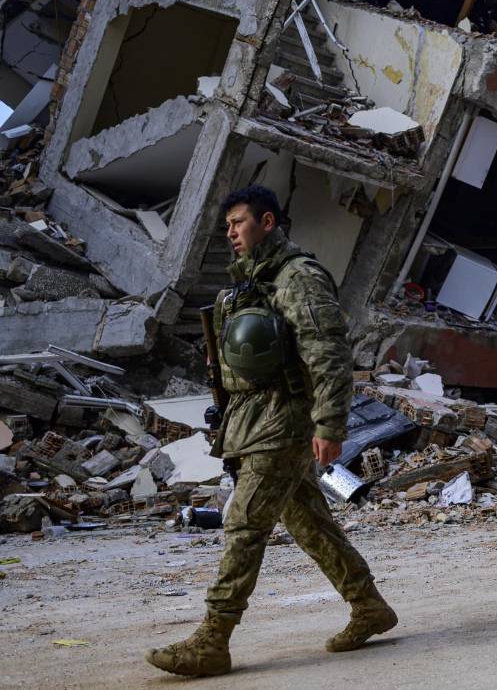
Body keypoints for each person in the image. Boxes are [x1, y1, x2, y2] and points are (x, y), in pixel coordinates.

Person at [146, 185, 396, 677]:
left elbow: (328, 354)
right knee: (309, 523)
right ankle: (368, 605)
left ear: (267, 221)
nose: (231, 234)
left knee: (243, 526)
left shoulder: (296, 278)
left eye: (238, 223)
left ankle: (212, 640)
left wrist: (329, 424)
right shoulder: (250, 283)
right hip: (254, 420)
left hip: (282, 424)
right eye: (227, 228)